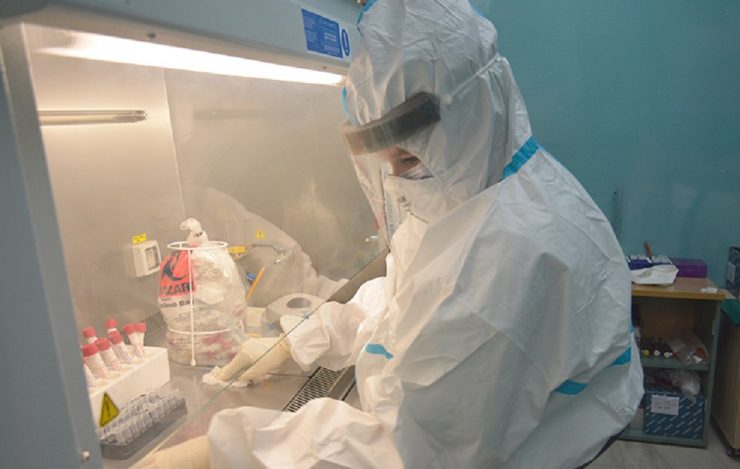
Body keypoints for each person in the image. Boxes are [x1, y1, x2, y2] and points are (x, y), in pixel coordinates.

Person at [142, 0, 643, 467]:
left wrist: (226, 450)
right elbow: (408, 297)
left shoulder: (507, 255)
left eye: (408, 158)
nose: (398, 183)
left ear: (473, 114)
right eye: (385, 162)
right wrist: (304, 339)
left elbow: (412, 453)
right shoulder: (481, 188)